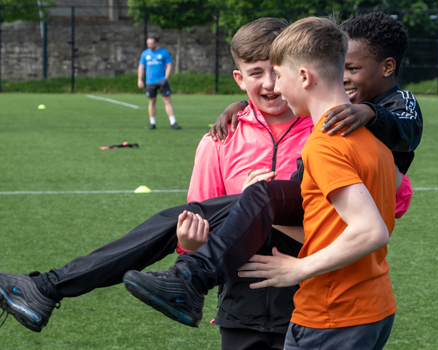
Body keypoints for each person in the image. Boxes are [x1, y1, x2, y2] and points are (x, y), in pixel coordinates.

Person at [123, 16, 404, 349]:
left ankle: (190, 279)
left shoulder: (324, 143)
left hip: (331, 311)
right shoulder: (372, 139)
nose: (277, 88)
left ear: (303, 76)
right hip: (373, 306)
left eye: (280, 75)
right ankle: (190, 277)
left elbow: (371, 230)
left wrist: (298, 270)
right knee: (262, 195)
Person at [137, 35, 180, 130]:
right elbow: (141, 67)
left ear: (156, 43)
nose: (149, 45)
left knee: (167, 100)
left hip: (162, 81)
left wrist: (166, 78)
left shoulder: (164, 53)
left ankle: (173, 122)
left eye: (151, 43)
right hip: (150, 82)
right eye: (148, 43)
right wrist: (139, 79)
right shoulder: (145, 54)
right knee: (152, 101)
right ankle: (152, 123)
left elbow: (169, 65)